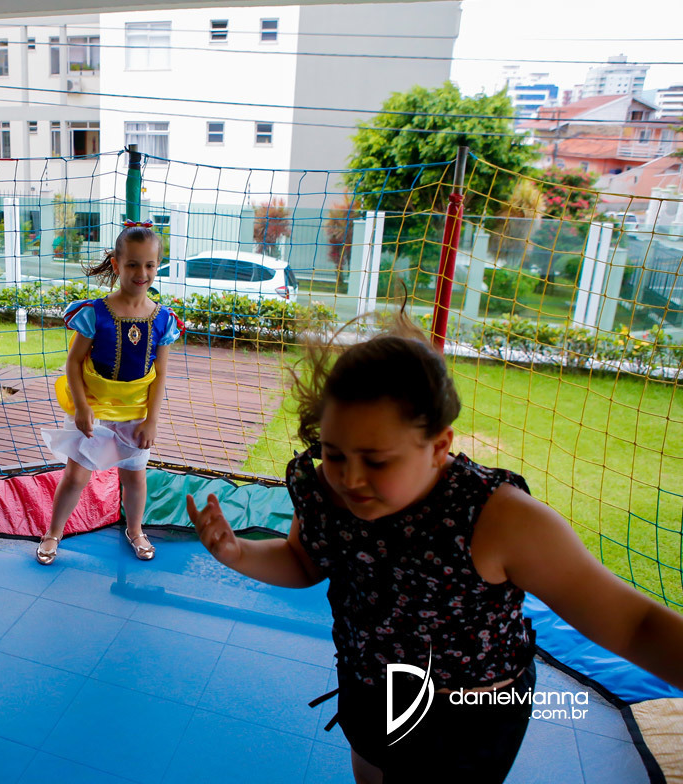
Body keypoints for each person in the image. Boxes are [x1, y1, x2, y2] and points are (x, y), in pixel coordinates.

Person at [187, 310, 683, 783]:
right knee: (371, 773)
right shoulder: (326, 492)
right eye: (334, 453)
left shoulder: (497, 518)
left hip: (466, 718)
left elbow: (633, 623)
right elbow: (304, 560)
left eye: (377, 461)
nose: (350, 478)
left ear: (440, 446)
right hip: (369, 684)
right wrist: (239, 553)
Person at [37, 223, 183, 564]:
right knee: (76, 475)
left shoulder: (163, 320)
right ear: (116, 265)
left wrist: (151, 420)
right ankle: (53, 532)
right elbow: (73, 362)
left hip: (135, 411)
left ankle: (135, 530)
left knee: (135, 476)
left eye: (149, 265)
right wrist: (82, 407)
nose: (141, 273)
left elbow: (160, 374)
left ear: (158, 266)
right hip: (95, 407)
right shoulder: (95, 314)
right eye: (132, 264)